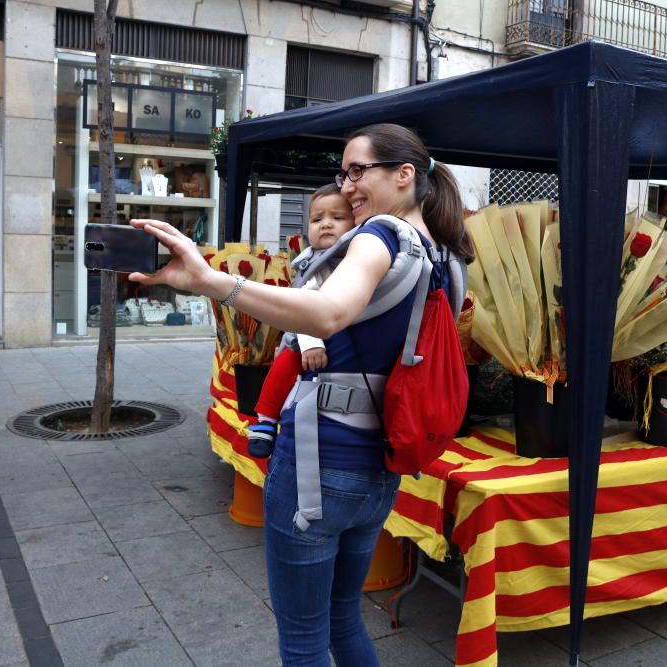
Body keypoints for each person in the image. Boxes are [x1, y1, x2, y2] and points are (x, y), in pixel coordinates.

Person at [128, 122, 474, 667]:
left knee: (304, 638)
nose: (348, 185)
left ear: (405, 175)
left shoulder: (379, 236)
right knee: (342, 617)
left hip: (320, 464)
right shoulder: (446, 257)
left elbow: (327, 312)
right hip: (380, 469)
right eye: (344, 173)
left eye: (359, 171)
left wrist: (211, 282)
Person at [246, 184, 356, 458]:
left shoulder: (358, 258)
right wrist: (310, 344)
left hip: (343, 335)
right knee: (286, 361)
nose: (326, 225)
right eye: (317, 219)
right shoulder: (317, 264)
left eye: (337, 218)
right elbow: (304, 304)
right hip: (310, 331)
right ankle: (266, 419)